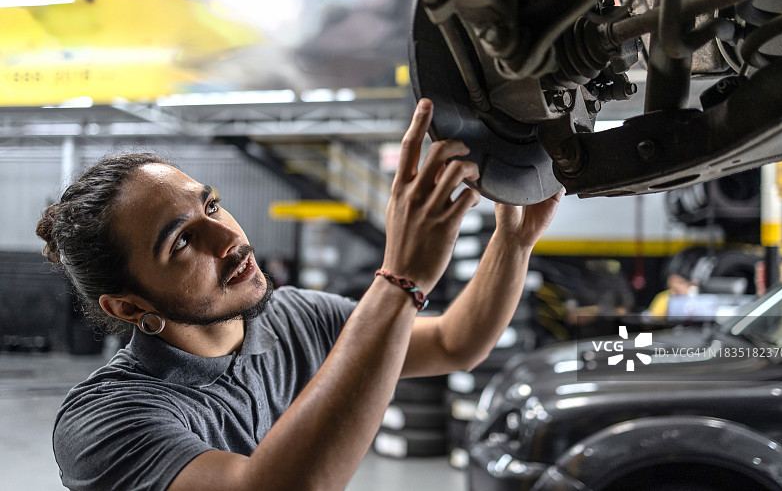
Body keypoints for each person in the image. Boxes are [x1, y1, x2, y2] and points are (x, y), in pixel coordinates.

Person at [36, 98, 562, 491]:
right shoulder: (104, 421)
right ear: (129, 307)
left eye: (212, 207)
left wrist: (513, 241)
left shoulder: (297, 318)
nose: (230, 240)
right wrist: (401, 278)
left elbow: (454, 343)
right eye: (183, 240)